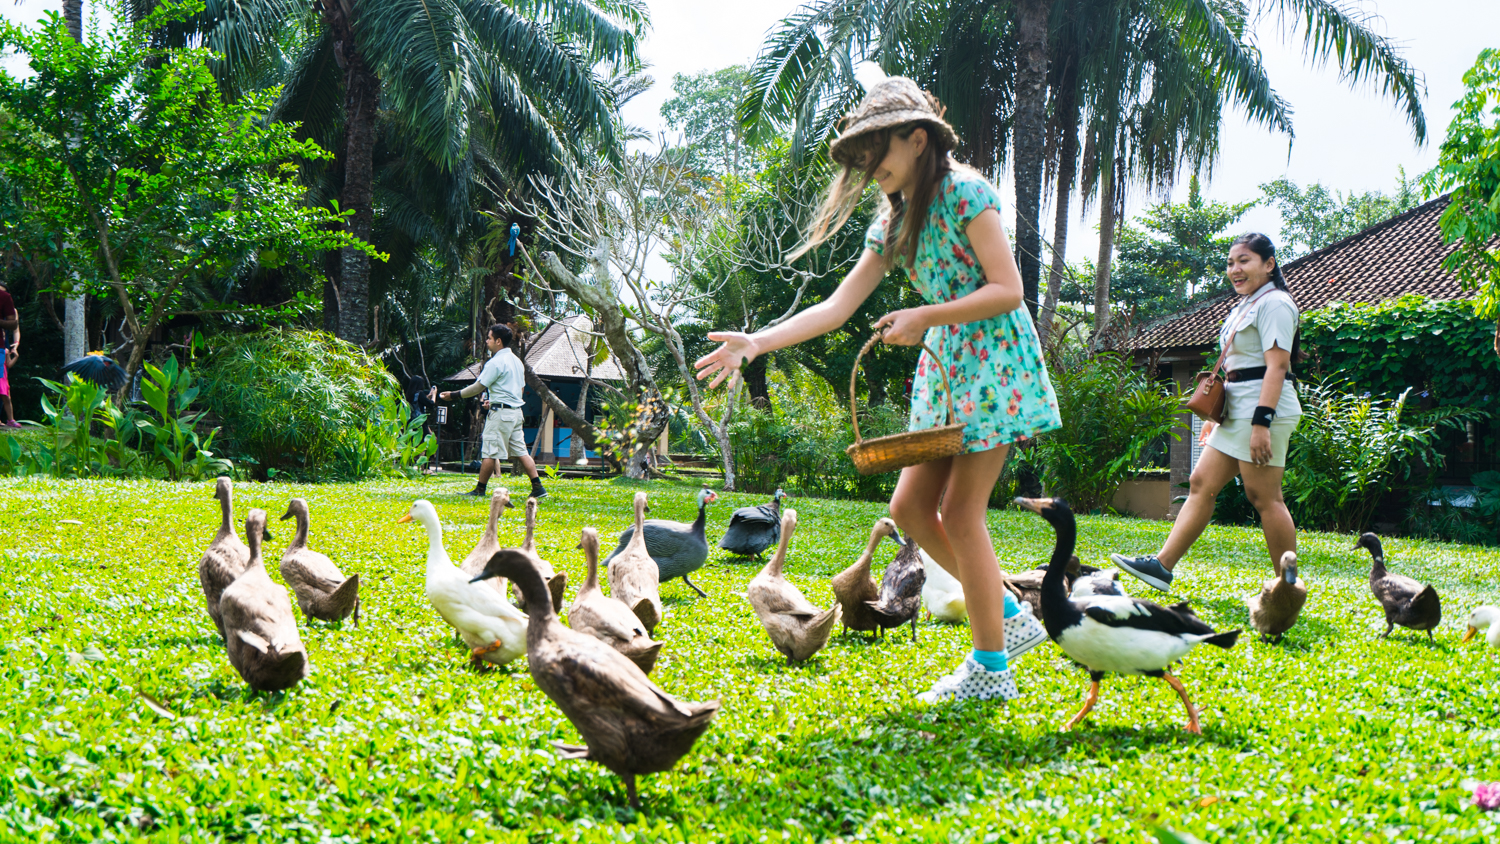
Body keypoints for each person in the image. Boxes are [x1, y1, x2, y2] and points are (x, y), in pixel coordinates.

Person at [694, 78, 1059, 703]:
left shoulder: (967, 193)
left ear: (918, 139)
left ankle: (991, 668)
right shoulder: (892, 220)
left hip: (992, 359)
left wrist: (924, 318)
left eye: (878, 150)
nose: (871, 166)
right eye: (863, 155)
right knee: (912, 510)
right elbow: (836, 308)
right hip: (946, 365)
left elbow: (1008, 289)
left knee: (963, 512)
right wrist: (757, 342)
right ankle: (1004, 607)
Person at [1111, 233, 1302, 592]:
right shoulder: (1244, 306)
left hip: (1264, 408)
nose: (1235, 269)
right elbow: (1237, 368)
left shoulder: (1275, 303)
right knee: (1201, 483)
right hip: (1238, 408)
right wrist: (1217, 419)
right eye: (1230, 263)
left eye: (1244, 260)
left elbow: (1276, 368)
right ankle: (1162, 567)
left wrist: (1262, 423)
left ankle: (1287, 586)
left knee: (1264, 496)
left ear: (1269, 264)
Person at [439, 324, 547, 500]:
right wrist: (497, 401)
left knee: (489, 452)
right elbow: (519, 389)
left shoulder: (496, 362)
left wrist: (454, 395)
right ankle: (538, 487)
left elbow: (478, 387)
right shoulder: (517, 361)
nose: (487, 341)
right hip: (515, 412)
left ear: (498, 341)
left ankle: (480, 489)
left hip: (501, 415)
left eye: (489, 338)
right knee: (521, 451)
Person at [0, 281, 19, 428]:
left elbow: (14, 325)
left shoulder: (5, 298)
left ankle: (8, 419)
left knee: (3, 391)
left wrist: (16, 345)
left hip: (2, 347)